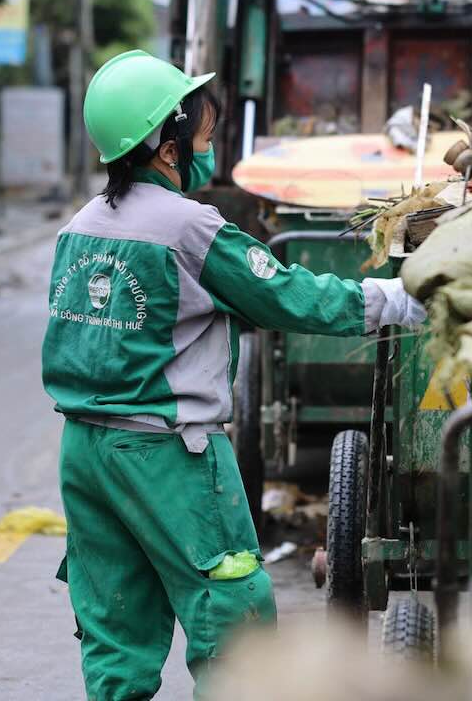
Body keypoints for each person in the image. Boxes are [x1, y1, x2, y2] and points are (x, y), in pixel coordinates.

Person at [44, 50, 426, 699]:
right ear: (167, 148)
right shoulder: (187, 226)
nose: (208, 151)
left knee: (116, 622)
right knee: (234, 614)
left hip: (85, 452)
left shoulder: (81, 227)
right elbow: (285, 295)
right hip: (168, 453)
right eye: (202, 138)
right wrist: (393, 299)